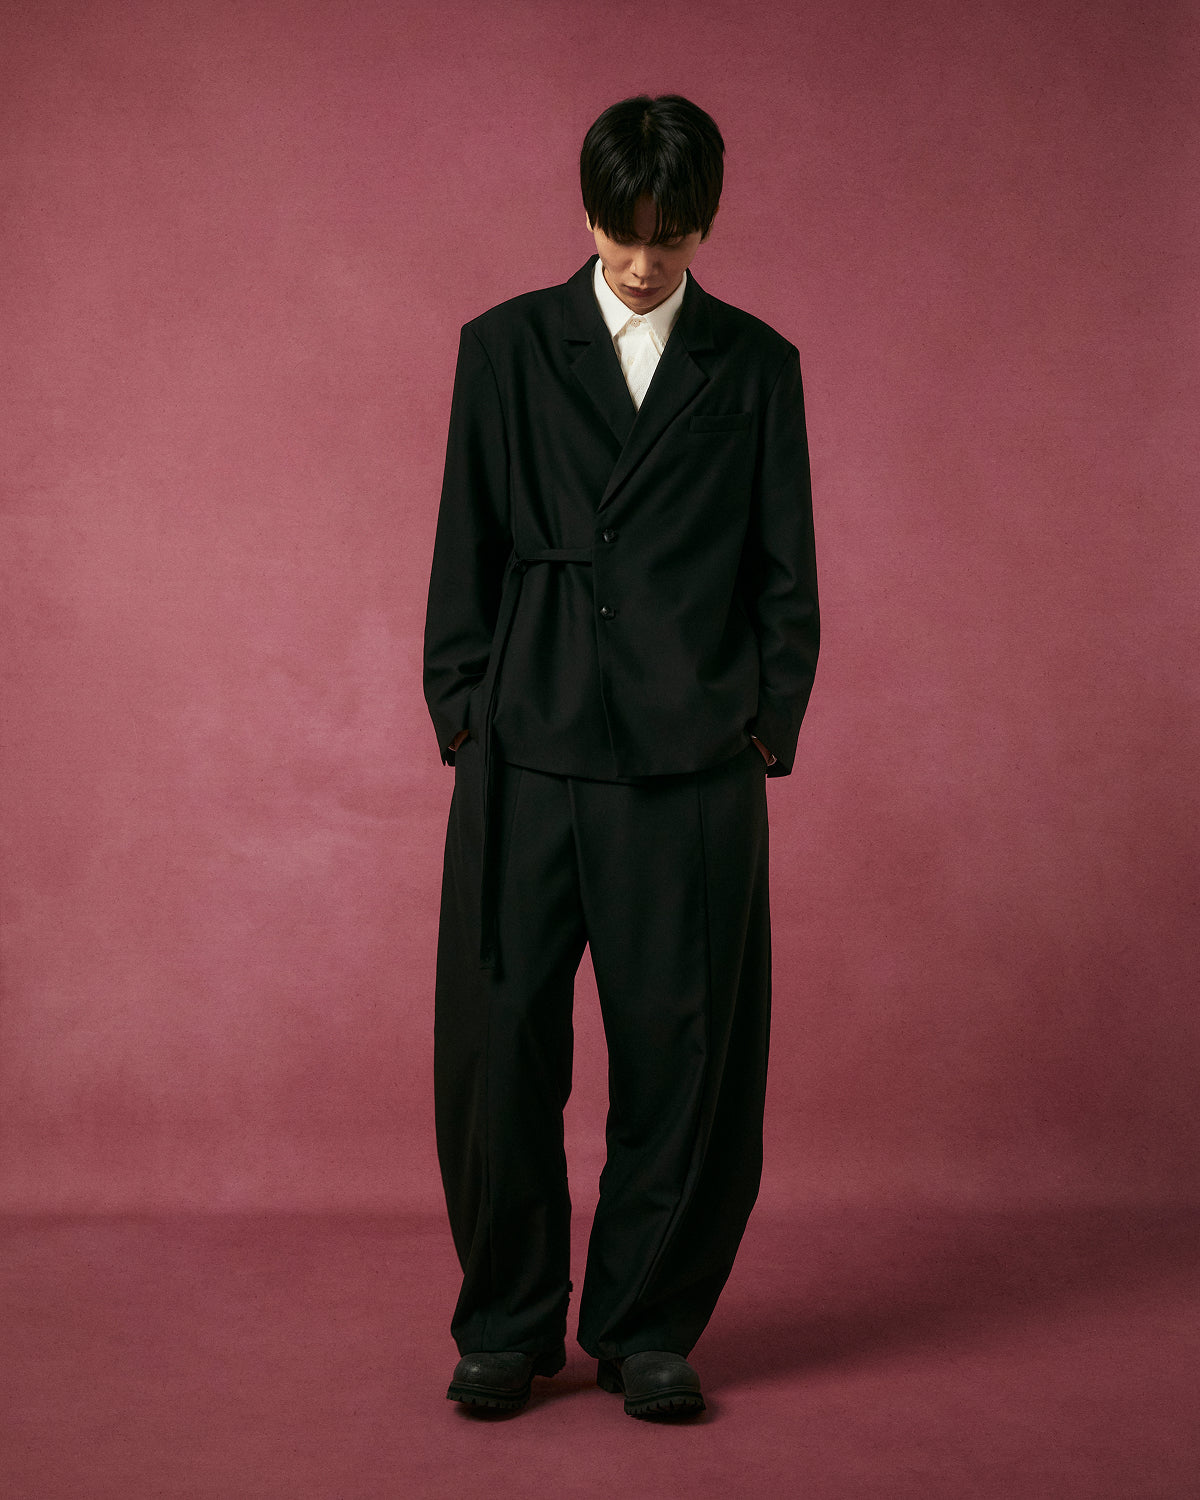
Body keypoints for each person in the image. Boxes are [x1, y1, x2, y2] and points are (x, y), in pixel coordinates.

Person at [423, 93, 818, 1419]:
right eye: (624, 226)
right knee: (501, 1049)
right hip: (525, 751)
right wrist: (463, 707)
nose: (646, 258)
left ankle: (648, 1321)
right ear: (588, 209)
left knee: (683, 1055)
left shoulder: (756, 367)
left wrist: (762, 723)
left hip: (688, 765)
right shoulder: (504, 348)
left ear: (706, 219)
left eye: (675, 229)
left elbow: (785, 574)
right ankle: (508, 1321)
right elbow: (461, 545)